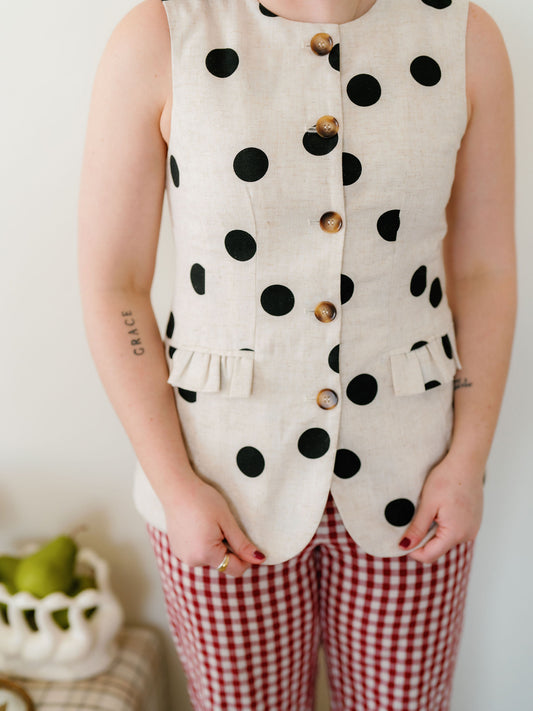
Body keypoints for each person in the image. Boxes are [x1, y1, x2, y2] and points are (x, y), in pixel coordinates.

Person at [78, 0, 516, 709]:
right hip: (216, 483)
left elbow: (485, 273)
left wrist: (467, 462)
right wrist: (175, 485)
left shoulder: (464, 36)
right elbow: (113, 285)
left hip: (418, 478)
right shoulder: (163, 35)